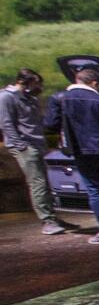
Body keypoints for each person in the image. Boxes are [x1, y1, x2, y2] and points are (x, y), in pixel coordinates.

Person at [42, 64, 99, 244]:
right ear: (94, 83)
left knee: (94, 191)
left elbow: (50, 124)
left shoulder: (59, 99)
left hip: (82, 152)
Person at [1, 68, 63, 235]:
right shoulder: (7, 97)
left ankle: (52, 216)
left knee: (43, 182)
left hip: (37, 144)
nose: (38, 87)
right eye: (35, 83)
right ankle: (47, 220)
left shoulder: (30, 99)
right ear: (23, 82)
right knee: (37, 183)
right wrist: (20, 145)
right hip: (26, 146)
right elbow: (6, 124)